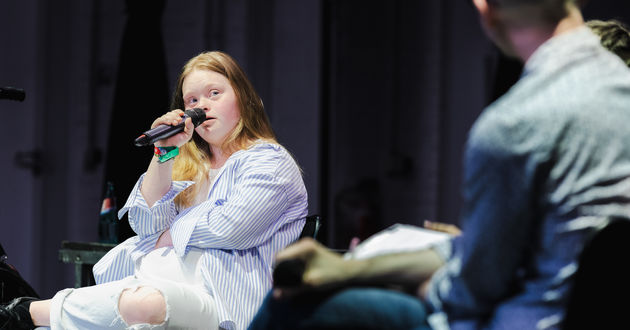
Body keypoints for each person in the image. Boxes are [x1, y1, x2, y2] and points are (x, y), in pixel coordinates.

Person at [248, 0, 630, 329]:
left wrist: (407, 281)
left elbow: (470, 294)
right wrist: (343, 268)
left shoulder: (514, 125)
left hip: (518, 318)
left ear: (486, 9)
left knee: (286, 308)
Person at [0, 51, 308, 330]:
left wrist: (168, 236)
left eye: (214, 94)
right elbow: (144, 225)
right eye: (192, 101)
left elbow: (232, 228)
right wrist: (163, 153)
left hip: (223, 301)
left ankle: (26, 312)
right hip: (156, 282)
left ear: (243, 98)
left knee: (143, 303)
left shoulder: (269, 161)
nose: (202, 106)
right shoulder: (188, 164)